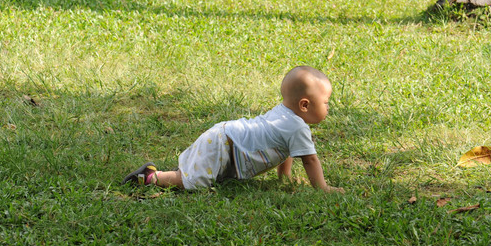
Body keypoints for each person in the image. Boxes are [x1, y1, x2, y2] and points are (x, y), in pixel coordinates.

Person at [123, 66, 344, 193]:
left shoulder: (286, 115)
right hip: (223, 144)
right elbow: (310, 161)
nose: (328, 106)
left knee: (201, 175)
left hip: (226, 137)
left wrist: (284, 176)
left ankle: (171, 172)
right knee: (193, 183)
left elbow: (286, 148)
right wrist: (323, 188)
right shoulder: (297, 126)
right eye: (326, 102)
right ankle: (151, 176)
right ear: (304, 105)